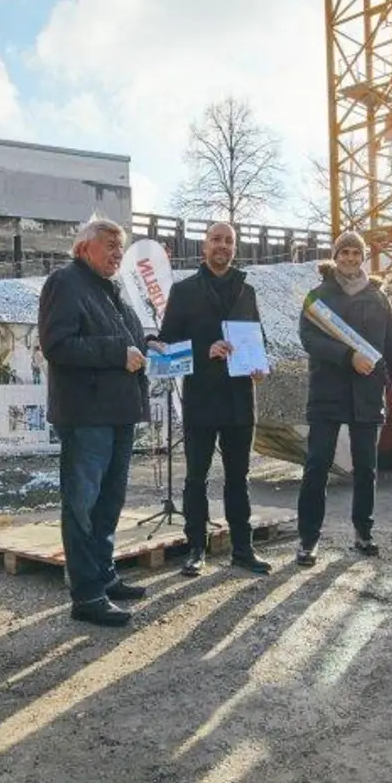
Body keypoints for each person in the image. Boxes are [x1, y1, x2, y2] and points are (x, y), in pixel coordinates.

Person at [38, 217, 151, 626]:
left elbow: (130, 341)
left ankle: (103, 576)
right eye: (110, 246)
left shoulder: (114, 290)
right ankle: (86, 595)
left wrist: (151, 346)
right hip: (87, 416)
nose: (118, 255)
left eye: (121, 248)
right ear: (85, 247)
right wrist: (117, 353)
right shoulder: (65, 282)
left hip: (119, 413)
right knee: (84, 504)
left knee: (109, 503)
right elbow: (57, 344)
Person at [149, 222, 272, 577]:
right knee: (196, 478)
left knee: (239, 476)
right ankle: (196, 549)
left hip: (239, 400)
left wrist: (258, 365)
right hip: (202, 397)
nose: (223, 246)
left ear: (235, 248)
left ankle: (243, 549)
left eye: (229, 241)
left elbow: (256, 338)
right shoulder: (184, 291)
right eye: (216, 240)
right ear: (204, 247)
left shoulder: (247, 291)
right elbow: (167, 344)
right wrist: (206, 351)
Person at [295, 232, 392, 565]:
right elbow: (309, 340)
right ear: (335, 256)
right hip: (327, 394)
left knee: (366, 470)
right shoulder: (317, 297)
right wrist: (348, 357)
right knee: (316, 466)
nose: (349, 258)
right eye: (343, 252)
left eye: (355, 253)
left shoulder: (378, 298)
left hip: (367, 393)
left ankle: (364, 533)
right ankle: (308, 539)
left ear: (363, 258)